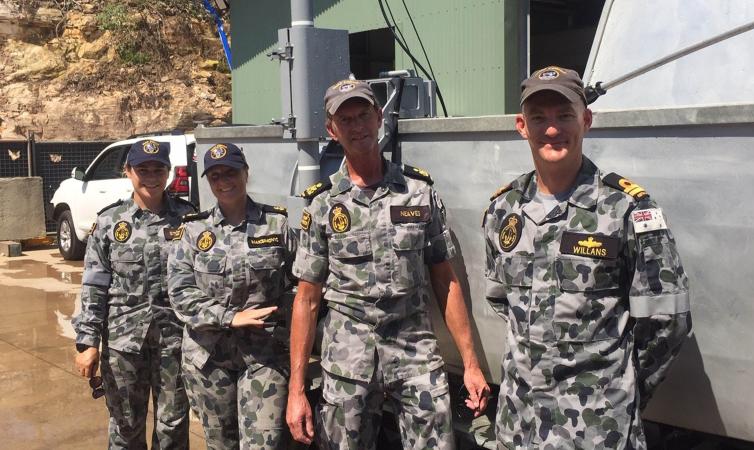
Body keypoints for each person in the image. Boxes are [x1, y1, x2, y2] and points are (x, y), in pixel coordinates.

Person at [483, 66, 692, 449]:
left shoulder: (627, 208)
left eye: (564, 115)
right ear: (521, 125)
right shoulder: (504, 209)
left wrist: (620, 390)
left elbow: (667, 320)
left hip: (597, 428)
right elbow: (502, 299)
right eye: (539, 117)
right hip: (519, 425)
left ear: (586, 119)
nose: (552, 128)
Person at [286, 79, 490, 450]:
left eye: (363, 114)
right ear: (332, 130)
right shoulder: (322, 204)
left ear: (379, 118)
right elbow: (307, 299)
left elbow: (445, 281)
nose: (357, 126)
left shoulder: (418, 191)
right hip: (348, 358)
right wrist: (296, 390)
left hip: (414, 352)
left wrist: (471, 364)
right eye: (345, 119)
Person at [167, 143, 293, 450]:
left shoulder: (276, 223)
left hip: (264, 356)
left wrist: (284, 316)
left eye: (231, 172)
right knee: (221, 444)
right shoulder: (193, 231)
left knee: (265, 443)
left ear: (246, 173)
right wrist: (229, 317)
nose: (224, 181)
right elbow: (180, 291)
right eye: (215, 176)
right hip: (210, 358)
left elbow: (301, 282)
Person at [73, 139, 195, 449]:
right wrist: (87, 342)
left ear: (168, 172)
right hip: (123, 344)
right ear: (128, 171)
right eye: (143, 169)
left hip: (175, 342)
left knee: (173, 426)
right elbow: (94, 284)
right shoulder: (110, 222)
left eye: (159, 169)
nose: (151, 176)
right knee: (125, 426)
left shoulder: (189, 219)